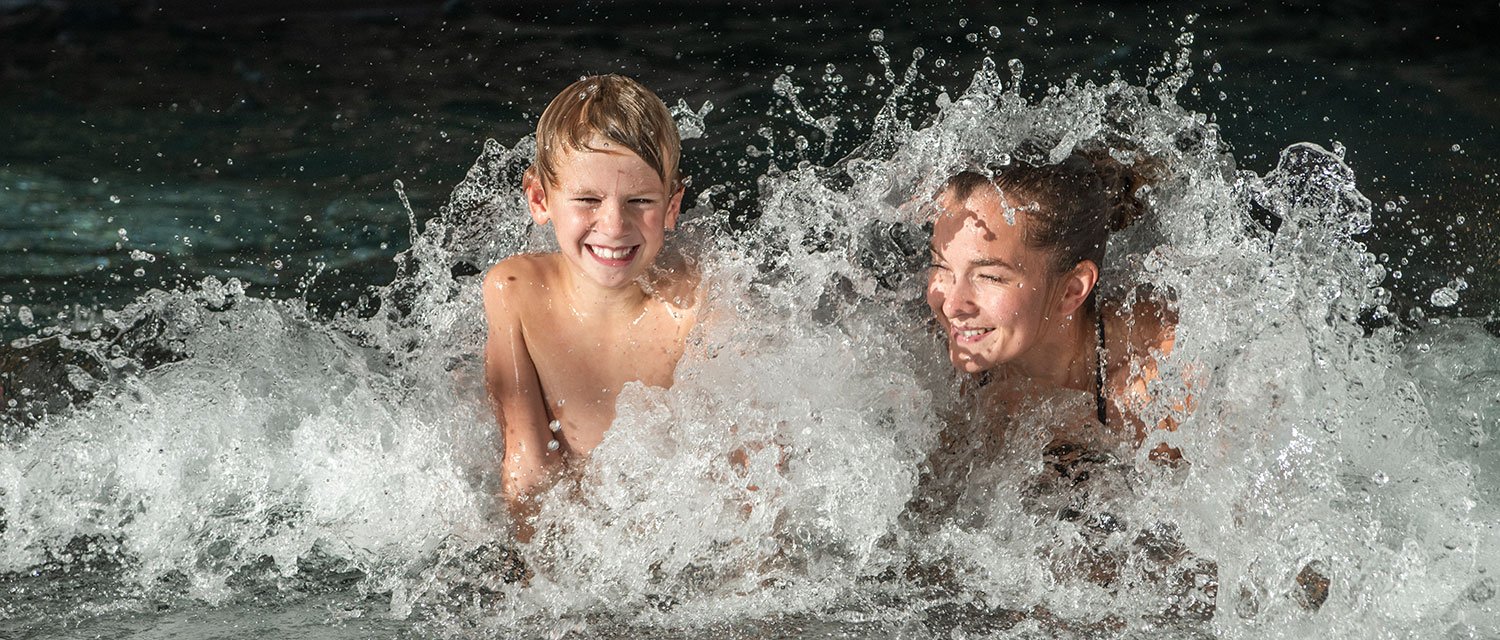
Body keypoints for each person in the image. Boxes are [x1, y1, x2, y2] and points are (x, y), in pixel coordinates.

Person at [482, 75, 697, 541]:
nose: (615, 225)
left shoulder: (694, 310)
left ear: (673, 205)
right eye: (587, 200)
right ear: (540, 199)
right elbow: (527, 467)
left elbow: (745, 477)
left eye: (640, 201)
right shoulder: (516, 290)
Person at [924, 146, 1189, 459]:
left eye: (990, 277)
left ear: (1072, 290)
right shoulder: (930, 368)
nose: (952, 306)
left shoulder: (1162, 381)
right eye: (941, 266)